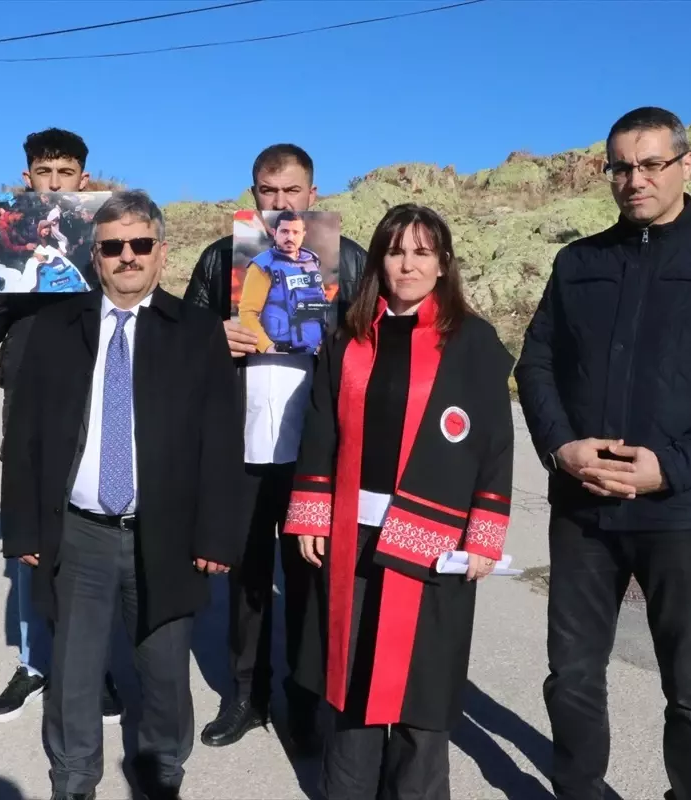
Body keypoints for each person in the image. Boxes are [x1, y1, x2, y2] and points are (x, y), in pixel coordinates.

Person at [514, 106, 691, 800]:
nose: (635, 179)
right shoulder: (578, 263)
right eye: (621, 166)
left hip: (682, 510)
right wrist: (562, 447)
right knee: (571, 677)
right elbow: (536, 365)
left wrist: (674, 466)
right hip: (582, 508)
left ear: (688, 163)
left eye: (652, 162)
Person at [1, 190, 244, 800]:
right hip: (79, 531)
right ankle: (74, 778)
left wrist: (217, 533)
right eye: (113, 247)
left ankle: (162, 774)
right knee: (74, 672)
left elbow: (221, 439)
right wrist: (25, 529)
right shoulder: (56, 328)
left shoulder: (197, 332)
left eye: (140, 244)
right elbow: (23, 433)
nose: (127, 257)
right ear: (96, 256)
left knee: (164, 672)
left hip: (164, 529)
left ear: (162, 252)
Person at [282, 203, 514, 799]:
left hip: (433, 540)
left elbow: (493, 442)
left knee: (421, 688)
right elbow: (320, 429)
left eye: (421, 251)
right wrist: (310, 510)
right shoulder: (350, 336)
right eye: (394, 251)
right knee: (353, 677)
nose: (406, 264)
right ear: (378, 261)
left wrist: (484, 534)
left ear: (443, 264)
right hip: (352, 537)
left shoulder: (474, 342)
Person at [183, 143, 366, 752]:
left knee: (310, 578)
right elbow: (181, 344)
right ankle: (247, 696)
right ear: (253, 194)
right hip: (243, 447)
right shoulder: (222, 260)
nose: (281, 202)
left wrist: (335, 340)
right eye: (269, 190)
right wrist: (217, 336)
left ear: (314, 196)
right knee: (246, 579)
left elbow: (375, 349)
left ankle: (305, 700)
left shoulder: (348, 261)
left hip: (315, 450)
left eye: (292, 191)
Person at [0, 128, 124, 726]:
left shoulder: (103, 237)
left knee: (93, 528)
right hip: (25, 398)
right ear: (26, 178)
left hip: (93, 395)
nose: (53, 182)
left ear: (84, 179)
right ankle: (34, 663)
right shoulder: (4, 238)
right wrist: (0, 290)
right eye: (42, 172)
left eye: (64, 172)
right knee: (29, 535)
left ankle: (95, 663)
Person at [238, 210, 327, 354]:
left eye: (295, 232)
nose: (290, 237)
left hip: (316, 351)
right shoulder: (263, 265)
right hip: (280, 351)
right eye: (284, 231)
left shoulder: (311, 262)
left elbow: (322, 303)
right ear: (275, 232)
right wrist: (268, 348)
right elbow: (247, 313)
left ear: (303, 234)